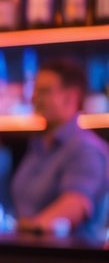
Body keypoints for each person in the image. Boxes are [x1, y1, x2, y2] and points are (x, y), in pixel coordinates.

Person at [10, 58, 109, 241]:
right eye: (35, 90)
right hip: (29, 254)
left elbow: (76, 204)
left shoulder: (85, 149)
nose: (34, 98)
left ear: (71, 97)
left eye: (44, 91)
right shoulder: (38, 145)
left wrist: (31, 227)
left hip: (66, 262)